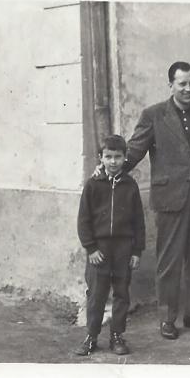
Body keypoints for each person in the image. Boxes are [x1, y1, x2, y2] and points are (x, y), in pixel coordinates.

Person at [124, 61, 190, 340]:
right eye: (182, 83)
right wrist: (112, 170)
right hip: (170, 197)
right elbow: (134, 150)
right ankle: (167, 318)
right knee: (168, 261)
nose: (188, 88)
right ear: (171, 85)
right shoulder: (154, 115)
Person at [75, 135, 145, 356]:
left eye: (118, 157)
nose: (113, 161)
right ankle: (91, 336)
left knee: (122, 293)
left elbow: (138, 221)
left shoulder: (131, 186)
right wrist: (91, 248)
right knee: (96, 293)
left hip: (123, 248)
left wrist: (136, 251)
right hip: (100, 249)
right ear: (100, 158)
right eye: (108, 157)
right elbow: (83, 220)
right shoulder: (93, 185)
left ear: (125, 158)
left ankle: (117, 335)